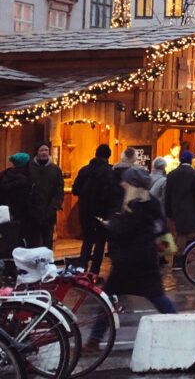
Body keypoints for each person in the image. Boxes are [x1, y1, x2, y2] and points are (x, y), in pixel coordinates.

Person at [89, 166, 176, 349]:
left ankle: (94, 340)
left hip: (128, 261)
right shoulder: (151, 201)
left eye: (125, 181)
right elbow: (159, 227)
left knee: (107, 298)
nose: (122, 183)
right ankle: (179, 326)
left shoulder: (132, 205)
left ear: (132, 184)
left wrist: (110, 224)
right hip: (146, 259)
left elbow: (125, 230)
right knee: (158, 297)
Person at [71, 144, 116, 274]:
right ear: (108, 155)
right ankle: (94, 271)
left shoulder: (85, 170)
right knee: (100, 243)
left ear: (95, 154)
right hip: (102, 212)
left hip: (85, 211)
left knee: (87, 240)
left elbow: (75, 189)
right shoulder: (110, 172)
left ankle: (81, 267)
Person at [164, 150, 195, 267]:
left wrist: (168, 211)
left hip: (175, 208)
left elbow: (167, 194)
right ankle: (178, 259)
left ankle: (181, 257)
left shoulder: (171, 174)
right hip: (189, 210)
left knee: (180, 233)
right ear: (190, 160)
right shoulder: (194, 174)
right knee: (183, 235)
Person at [27, 144, 64, 249]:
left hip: (49, 211)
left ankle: (47, 264)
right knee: (33, 242)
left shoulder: (55, 170)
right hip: (33, 212)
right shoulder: (29, 168)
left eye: (46, 150)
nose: (44, 152)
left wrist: (54, 206)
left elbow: (59, 190)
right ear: (37, 152)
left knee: (48, 242)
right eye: (41, 150)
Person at [0, 153, 32, 244]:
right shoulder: (25, 179)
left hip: (5, 214)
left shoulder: (6, 175)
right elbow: (25, 200)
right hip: (22, 215)